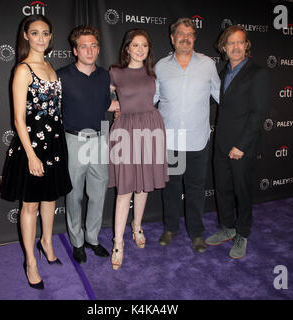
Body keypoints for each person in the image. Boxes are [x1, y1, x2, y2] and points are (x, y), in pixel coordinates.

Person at [0, 14, 72, 290]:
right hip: (32, 145)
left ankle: (47, 242)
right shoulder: (23, 70)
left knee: (50, 198)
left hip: (54, 143)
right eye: (35, 33)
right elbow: (18, 118)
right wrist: (31, 155)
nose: (41, 38)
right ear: (26, 36)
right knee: (30, 204)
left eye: (45, 33)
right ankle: (30, 261)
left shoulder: (51, 67)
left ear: (51, 37)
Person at [154, 17, 220, 252]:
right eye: (181, 34)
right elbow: (151, 99)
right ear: (172, 38)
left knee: (195, 189)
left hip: (197, 139)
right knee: (171, 189)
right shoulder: (160, 66)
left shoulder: (207, 65)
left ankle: (197, 233)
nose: (185, 38)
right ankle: (170, 228)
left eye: (190, 34)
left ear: (194, 38)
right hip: (170, 140)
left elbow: (221, 95)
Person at [205, 25, 269, 259]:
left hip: (242, 146)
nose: (235, 46)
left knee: (242, 192)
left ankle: (242, 233)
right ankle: (228, 228)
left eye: (240, 42)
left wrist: (241, 145)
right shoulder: (222, 74)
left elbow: (258, 114)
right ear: (223, 47)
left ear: (246, 45)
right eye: (230, 42)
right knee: (222, 190)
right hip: (221, 143)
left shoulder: (257, 73)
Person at [57, 26, 119, 264]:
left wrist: (132, 105)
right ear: (75, 50)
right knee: (73, 196)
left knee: (98, 194)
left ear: (98, 48)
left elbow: (107, 103)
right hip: (73, 141)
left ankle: (92, 239)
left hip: (100, 140)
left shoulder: (104, 76)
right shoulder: (61, 75)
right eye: (83, 46)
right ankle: (77, 242)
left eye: (93, 45)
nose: (89, 50)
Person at [108, 29, 169, 270]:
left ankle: (137, 227)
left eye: (144, 45)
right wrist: (117, 106)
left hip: (151, 128)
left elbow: (163, 99)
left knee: (143, 185)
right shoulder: (115, 72)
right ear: (127, 48)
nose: (140, 49)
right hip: (125, 130)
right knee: (124, 189)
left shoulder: (153, 74)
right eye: (136, 45)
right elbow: (100, 98)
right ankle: (118, 242)